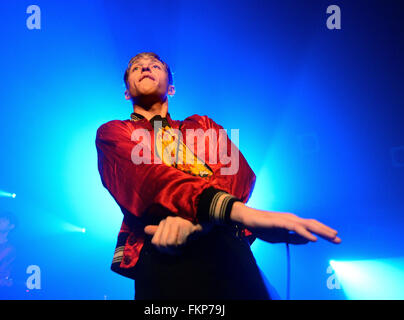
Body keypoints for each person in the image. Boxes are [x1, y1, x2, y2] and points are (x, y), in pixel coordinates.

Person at [95, 52, 341, 300]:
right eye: (136, 67)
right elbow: (145, 179)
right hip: (160, 245)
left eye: (154, 65)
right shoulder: (114, 132)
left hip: (225, 243)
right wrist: (245, 215)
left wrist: (201, 223)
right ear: (126, 92)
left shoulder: (201, 125)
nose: (145, 68)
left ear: (171, 87)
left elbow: (236, 173)